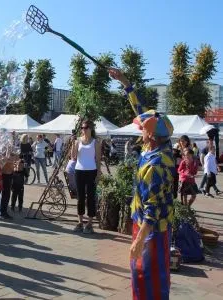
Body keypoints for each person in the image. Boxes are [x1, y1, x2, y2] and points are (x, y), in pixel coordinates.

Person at [110, 67, 174, 300]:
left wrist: (138, 240)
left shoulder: (156, 164)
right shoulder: (159, 146)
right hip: (151, 227)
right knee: (148, 277)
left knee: (148, 278)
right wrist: (124, 81)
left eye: (142, 128)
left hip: (152, 231)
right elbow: (142, 110)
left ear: (150, 134)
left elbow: (153, 208)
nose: (139, 129)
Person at [72, 120, 101, 234]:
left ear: (91, 129)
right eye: (82, 128)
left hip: (91, 171)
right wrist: (74, 145)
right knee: (80, 197)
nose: (83, 129)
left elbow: (98, 160)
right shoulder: (78, 141)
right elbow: (73, 157)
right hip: (79, 171)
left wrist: (98, 174)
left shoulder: (95, 142)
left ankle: (89, 223)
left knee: (91, 198)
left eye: (86, 127)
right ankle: (80, 222)